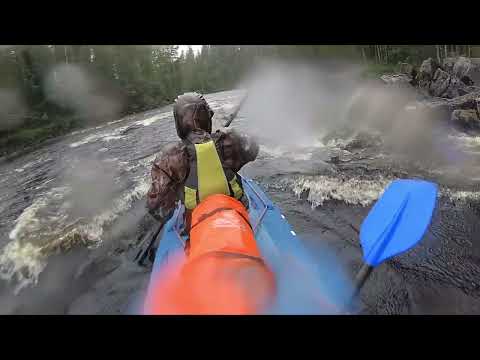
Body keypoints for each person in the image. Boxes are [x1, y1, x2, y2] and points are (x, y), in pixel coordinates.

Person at [146, 92, 259, 231]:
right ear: (205, 117)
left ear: (180, 122)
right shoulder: (230, 140)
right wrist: (226, 136)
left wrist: (175, 192)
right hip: (238, 216)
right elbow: (253, 149)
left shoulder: (169, 157)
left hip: (198, 225)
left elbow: (157, 207)